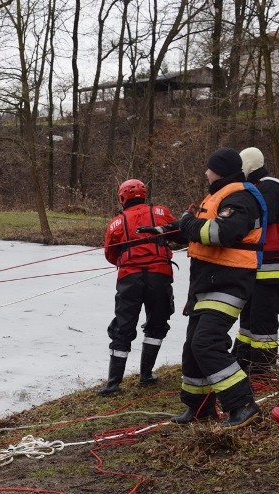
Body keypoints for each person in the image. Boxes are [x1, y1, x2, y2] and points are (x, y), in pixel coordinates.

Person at [140, 147, 266, 428]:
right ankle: (199, 408)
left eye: (208, 168)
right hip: (207, 282)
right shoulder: (218, 196)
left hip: (229, 281)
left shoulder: (241, 198)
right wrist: (164, 232)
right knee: (193, 346)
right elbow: (196, 228)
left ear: (218, 170)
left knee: (206, 342)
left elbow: (219, 233)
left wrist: (186, 223)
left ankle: (243, 405)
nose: (205, 173)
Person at [98, 179, 177, 396]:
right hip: (159, 276)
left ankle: (113, 384)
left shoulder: (116, 222)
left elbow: (110, 254)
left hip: (129, 279)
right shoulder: (161, 212)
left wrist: (127, 261)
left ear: (122, 198)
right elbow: (178, 233)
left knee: (123, 326)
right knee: (157, 322)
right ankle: (146, 374)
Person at [231, 147, 279, 378]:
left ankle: (262, 368)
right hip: (260, 262)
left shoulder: (269, 187)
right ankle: (243, 358)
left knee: (263, 318)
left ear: (250, 166)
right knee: (249, 314)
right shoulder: (261, 186)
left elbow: (258, 217)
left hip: (272, 263)